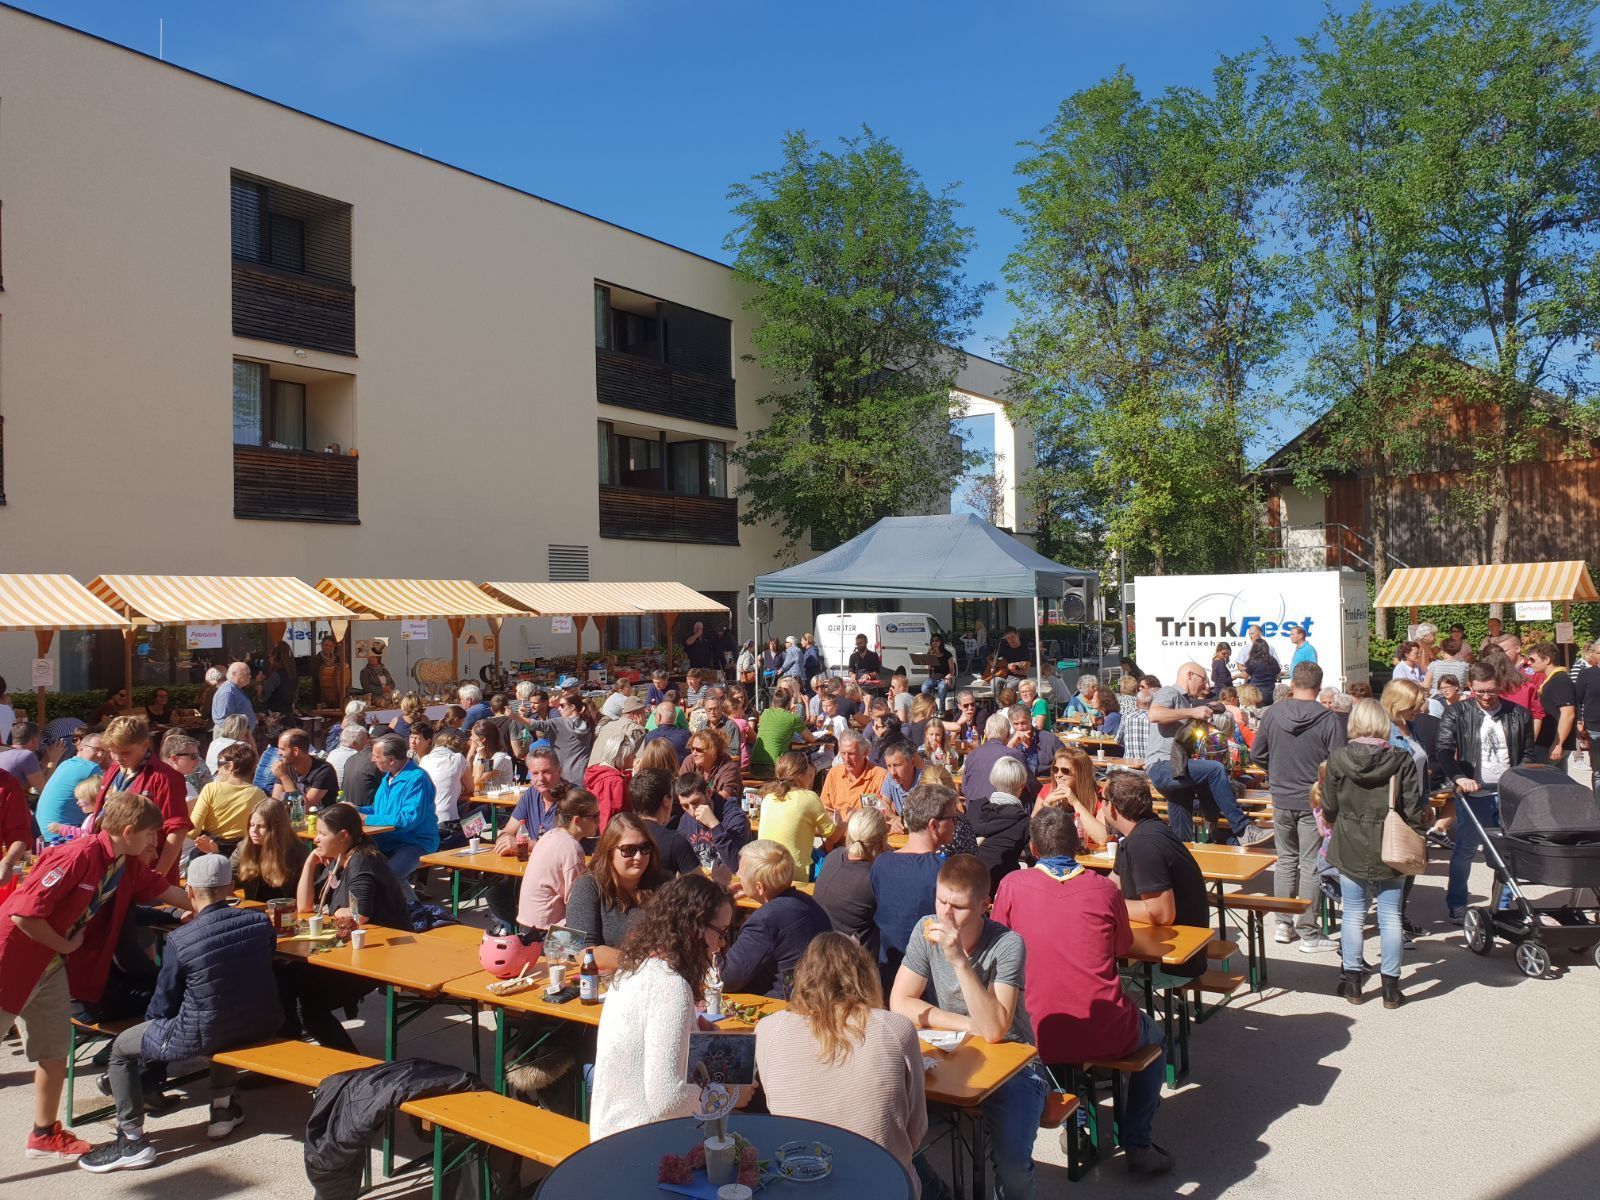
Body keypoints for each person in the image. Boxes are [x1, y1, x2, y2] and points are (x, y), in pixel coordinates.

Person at [0, 792, 190, 1161]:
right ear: (130, 830)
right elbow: (24, 916)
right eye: (153, 834)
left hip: (49, 963)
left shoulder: (125, 861)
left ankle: (43, 1133)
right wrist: (66, 946)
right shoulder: (77, 855)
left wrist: (212, 907)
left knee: (55, 1053)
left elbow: (163, 890)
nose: (157, 842)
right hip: (12, 960)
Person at [992, 806, 1174, 1175]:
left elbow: (997, 948)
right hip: (1104, 1028)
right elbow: (1122, 948)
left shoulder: (1012, 885)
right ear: (1077, 844)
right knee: (1156, 1041)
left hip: (1037, 1032)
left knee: (1043, 1021)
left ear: (1033, 846)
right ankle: (1137, 1141)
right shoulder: (1104, 889)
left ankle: (1073, 1124)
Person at [77, 854, 281, 1172]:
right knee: (224, 1017)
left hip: (207, 1029)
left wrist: (153, 1036)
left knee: (121, 1050)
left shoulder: (181, 939)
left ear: (189, 892)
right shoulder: (260, 922)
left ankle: (131, 1139)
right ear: (230, 887)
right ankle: (222, 1107)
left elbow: (162, 1004)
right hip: (261, 1021)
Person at [890, 854, 1048, 1200]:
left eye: (957, 907)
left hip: (1016, 1066)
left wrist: (959, 960)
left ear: (983, 905)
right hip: (950, 1052)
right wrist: (963, 1024)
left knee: (1011, 1164)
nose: (944, 914)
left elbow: (994, 1029)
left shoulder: (1008, 944)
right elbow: (900, 1002)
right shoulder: (926, 928)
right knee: (886, 1121)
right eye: (940, 900)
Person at [756, 933, 928, 1185]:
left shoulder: (768, 1029)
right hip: (882, 1183)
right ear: (865, 975)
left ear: (803, 975)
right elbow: (916, 1133)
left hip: (802, 1182)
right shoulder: (895, 1028)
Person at [589, 872, 732, 1139]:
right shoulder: (669, 986)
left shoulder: (635, 968)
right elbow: (668, 1098)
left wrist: (698, 1041)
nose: (721, 945)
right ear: (696, 927)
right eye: (721, 933)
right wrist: (726, 1093)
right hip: (638, 1146)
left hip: (613, 1136)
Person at [1323, 699, 1429, 1008]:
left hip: (1349, 840)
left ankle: (1353, 983)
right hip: (1390, 841)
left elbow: (1329, 807)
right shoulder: (1401, 759)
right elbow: (1413, 808)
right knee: (1390, 916)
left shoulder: (1338, 758)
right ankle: (1391, 989)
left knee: (1353, 914)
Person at [287, 804, 409, 1049]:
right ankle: (284, 1052)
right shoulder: (340, 858)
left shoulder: (362, 860)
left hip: (379, 955)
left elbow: (359, 914)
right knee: (283, 978)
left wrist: (337, 912)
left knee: (308, 1004)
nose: (316, 838)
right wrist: (310, 864)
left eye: (322, 833)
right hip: (352, 950)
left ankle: (350, 1068)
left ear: (343, 836)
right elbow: (304, 906)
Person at [1251, 661, 1347, 952]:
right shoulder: (1329, 719)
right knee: (1309, 863)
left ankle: (1283, 922)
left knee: (1286, 859)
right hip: (1312, 799)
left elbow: (1257, 753)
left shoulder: (1272, 713)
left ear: (1293, 683)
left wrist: (1277, 772)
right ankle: (1308, 930)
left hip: (1281, 797)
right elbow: (1338, 764)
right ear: (1319, 688)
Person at [1438, 661, 1534, 921]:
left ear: (1499, 687)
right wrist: (1459, 777)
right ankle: (1457, 903)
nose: (1486, 697)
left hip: (1506, 794)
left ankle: (1500, 907)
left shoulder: (1518, 714)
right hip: (1474, 794)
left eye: (1491, 691)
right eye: (1479, 692)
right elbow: (1444, 749)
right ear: (1470, 687)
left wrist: (1519, 780)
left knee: (1506, 854)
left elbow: (1527, 753)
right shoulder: (1458, 712)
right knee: (1465, 850)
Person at [1145, 663, 1275, 848]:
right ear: (1190, 675)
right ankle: (1243, 829)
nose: (1206, 686)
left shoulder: (1185, 701)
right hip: (1163, 766)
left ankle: (1204, 848)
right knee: (1215, 770)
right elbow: (1154, 714)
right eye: (1204, 680)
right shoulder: (1170, 692)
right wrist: (1193, 712)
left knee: (1182, 832)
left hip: (1176, 768)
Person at [1101, 773, 1209, 977]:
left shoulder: (1144, 843)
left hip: (1171, 964)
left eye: (1102, 799)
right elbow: (1111, 885)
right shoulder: (1137, 834)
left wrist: (1108, 904)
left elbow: (1161, 913)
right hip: (1161, 948)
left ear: (1113, 808)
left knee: (1087, 974)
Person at [871, 783, 956, 986]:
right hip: (930, 978)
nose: (956, 825)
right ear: (933, 825)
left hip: (888, 971)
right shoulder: (945, 870)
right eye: (953, 819)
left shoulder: (881, 864)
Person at [722, 840, 832, 997]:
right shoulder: (806, 901)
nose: (737, 874)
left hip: (785, 1007)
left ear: (759, 887)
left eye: (741, 871)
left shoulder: (764, 921)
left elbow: (726, 978)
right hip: (817, 997)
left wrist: (717, 911)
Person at [92, 716, 190, 883]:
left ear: (145, 745)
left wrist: (157, 877)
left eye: (125, 752)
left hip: (145, 872)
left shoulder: (165, 777)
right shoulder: (114, 770)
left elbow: (177, 830)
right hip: (111, 868)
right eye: (113, 751)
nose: (117, 758)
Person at [566, 811, 667, 970]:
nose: (639, 857)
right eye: (628, 850)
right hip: (607, 986)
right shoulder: (588, 887)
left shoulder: (665, 883)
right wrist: (642, 963)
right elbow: (582, 952)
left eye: (644, 847)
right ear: (609, 851)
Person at [358, 733, 439, 895]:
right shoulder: (388, 777)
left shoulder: (417, 779)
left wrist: (366, 819)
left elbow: (407, 819)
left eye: (376, 756)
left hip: (415, 843)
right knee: (357, 869)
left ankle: (414, 916)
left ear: (392, 760)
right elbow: (379, 810)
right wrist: (354, 810)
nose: (372, 760)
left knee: (390, 876)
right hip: (387, 841)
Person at [517, 788, 600, 936]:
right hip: (548, 931)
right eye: (595, 816)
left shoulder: (550, 835)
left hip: (527, 923)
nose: (599, 821)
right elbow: (577, 900)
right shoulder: (572, 848)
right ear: (577, 820)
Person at [815, 807, 888, 958]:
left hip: (820, 951)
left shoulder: (834, 856)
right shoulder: (874, 879)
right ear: (882, 842)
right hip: (854, 963)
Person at [758, 752, 838, 881]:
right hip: (795, 874)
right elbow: (833, 836)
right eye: (809, 773)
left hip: (766, 872)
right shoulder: (808, 797)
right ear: (800, 776)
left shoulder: (768, 797)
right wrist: (847, 821)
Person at [189, 743, 266, 859]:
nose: (218, 769)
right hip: (244, 854)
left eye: (220, 764)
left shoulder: (211, 789)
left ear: (230, 766)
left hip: (210, 850)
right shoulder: (259, 794)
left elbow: (192, 831)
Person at [968, 755, 1032, 892]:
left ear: (993, 782)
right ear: (1022, 786)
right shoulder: (1023, 822)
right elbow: (1033, 860)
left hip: (967, 883)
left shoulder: (973, 808)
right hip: (999, 889)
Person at [35, 730, 109, 845]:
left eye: (103, 751)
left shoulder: (66, 763)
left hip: (41, 832)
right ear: (80, 748)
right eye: (96, 749)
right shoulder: (91, 768)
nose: (100, 755)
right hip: (61, 835)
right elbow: (107, 800)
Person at [230, 797, 308, 902]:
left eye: (261, 826)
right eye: (251, 825)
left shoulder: (298, 852)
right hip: (254, 910)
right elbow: (227, 878)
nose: (254, 831)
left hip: (287, 911)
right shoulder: (243, 848)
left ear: (276, 829)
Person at [674, 770, 754, 871]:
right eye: (685, 806)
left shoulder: (735, 818)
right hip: (701, 882)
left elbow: (736, 866)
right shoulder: (685, 820)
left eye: (696, 802)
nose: (692, 811)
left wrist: (715, 825)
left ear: (709, 792)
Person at [959, 712, 1027, 810]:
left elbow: (964, 788)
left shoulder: (972, 755)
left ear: (986, 733)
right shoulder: (1014, 755)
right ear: (1008, 734)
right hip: (1003, 815)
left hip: (974, 814)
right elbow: (1030, 786)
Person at [818, 729, 889, 823]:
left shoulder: (879, 776)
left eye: (851, 754)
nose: (846, 759)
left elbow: (885, 813)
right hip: (837, 833)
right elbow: (824, 809)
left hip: (866, 833)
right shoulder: (834, 774)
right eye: (843, 753)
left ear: (865, 753)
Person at [1042, 747, 1107, 847]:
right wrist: (1046, 806)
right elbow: (1034, 839)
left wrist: (1075, 802)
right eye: (1055, 769)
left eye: (1065, 771)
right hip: (1055, 858)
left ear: (1081, 773)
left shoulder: (1100, 795)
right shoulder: (1048, 790)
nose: (1058, 775)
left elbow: (1102, 839)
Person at [409, 721, 464, 835]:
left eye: (416, 738)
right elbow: (471, 786)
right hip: (447, 823)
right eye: (411, 737)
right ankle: (471, 840)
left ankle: (467, 838)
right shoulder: (458, 758)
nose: (413, 741)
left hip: (424, 820)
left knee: (463, 809)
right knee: (483, 813)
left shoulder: (424, 760)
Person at [1528, 641, 1578, 766]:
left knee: (1542, 781)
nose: (1529, 663)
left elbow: (1568, 714)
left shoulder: (1560, 681)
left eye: (1532, 660)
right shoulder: (1553, 679)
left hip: (1551, 743)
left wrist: (1557, 744)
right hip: (1549, 741)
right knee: (1558, 782)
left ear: (1547, 660)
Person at [271, 728, 340, 811]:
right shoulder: (286, 767)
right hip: (296, 822)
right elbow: (276, 805)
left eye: (282, 749)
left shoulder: (324, 771)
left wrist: (285, 778)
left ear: (296, 751)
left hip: (321, 821)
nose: (278, 753)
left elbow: (302, 809)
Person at [1005, 703, 1062, 785]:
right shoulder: (1008, 742)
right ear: (1011, 723)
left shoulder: (1050, 739)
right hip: (1020, 787)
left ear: (1030, 719)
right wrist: (1010, 746)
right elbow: (1003, 770)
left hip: (1047, 784)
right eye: (1016, 724)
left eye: (1023, 723)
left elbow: (1067, 763)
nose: (1020, 727)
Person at [681, 725, 743, 800]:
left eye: (699, 750)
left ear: (713, 751)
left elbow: (724, 797)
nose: (694, 753)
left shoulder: (729, 768)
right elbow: (680, 788)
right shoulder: (690, 761)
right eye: (692, 748)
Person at [211, 661, 257, 736]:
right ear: (234, 674)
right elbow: (224, 721)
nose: (250, 676)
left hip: (239, 736)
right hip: (231, 739)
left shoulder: (235, 689)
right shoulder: (228, 692)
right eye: (247, 674)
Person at [260, 642, 298, 717]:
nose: (269, 659)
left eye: (270, 656)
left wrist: (259, 683)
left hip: (274, 717)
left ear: (274, 657)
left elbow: (262, 698)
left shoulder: (275, 676)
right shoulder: (293, 675)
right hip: (288, 715)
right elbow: (294, 698)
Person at [313, 633, 351, 709]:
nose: (328, 648)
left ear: (334, 647)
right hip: (322, 697)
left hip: (339, 698)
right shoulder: (315, 660)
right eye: (326, 645)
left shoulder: (339, 659)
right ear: (321, 645)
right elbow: (316, 678)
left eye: (330, 646)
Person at [921, 633, 957, 713]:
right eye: (933, 641)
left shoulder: (947, 654)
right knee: (924, 688)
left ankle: (942, 710)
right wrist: (930, 657)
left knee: (942, 687)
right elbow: (927, 669)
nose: (935, 642)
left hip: (944, 678)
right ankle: (934, 706)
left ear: (941, 642)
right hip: (932, 678)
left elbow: (952, 670)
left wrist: (949, 675)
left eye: (937, 640)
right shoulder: (930, 653)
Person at [1118, 689, 1153, 763]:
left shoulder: (1126, 717)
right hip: (1149, 763)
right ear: (1152, 703)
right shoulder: (1155, 719)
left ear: (1136, 703)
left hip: (1129, 763)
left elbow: (1118, 740)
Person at [1243, 638, 1280, 703]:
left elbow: (1245, 675)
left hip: (1255, 694)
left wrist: (1235, 676)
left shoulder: (1253, 661)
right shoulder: (1272, 660)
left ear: (1254, 649)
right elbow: (1278, 674)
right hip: (1270, 693)